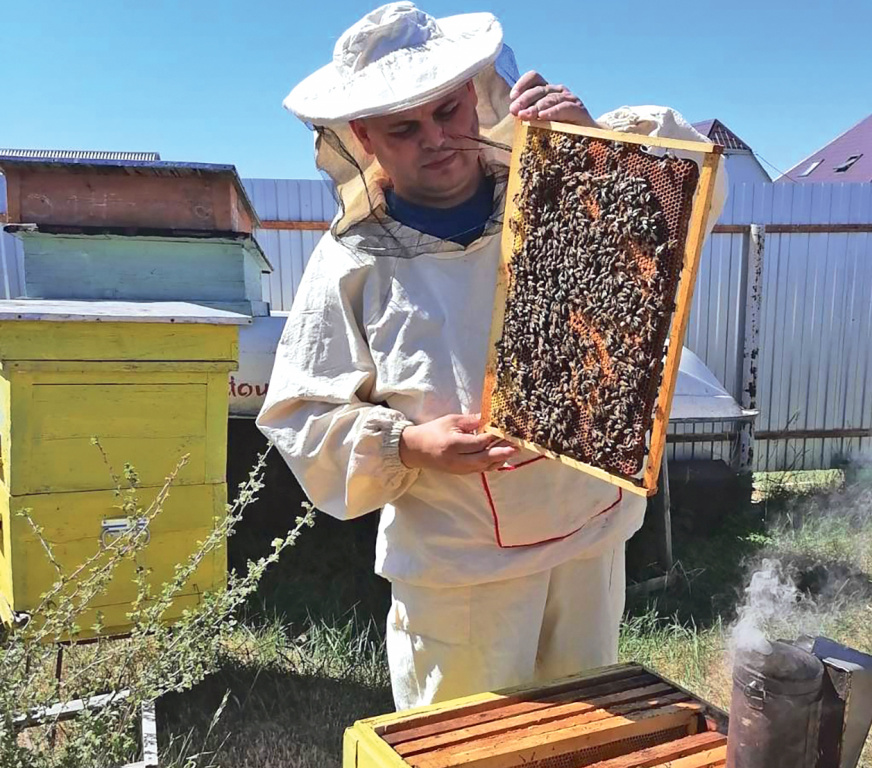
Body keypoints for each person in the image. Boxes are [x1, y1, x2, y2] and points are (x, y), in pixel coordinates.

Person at [257, 1, 726, 710]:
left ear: (475, 97)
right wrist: (409, 444)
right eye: (404, 128)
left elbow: (687, 208)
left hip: (587, 541)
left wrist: (597, 145)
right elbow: (300, 413)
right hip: (461, 571)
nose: (437, 139)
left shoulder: (564, 191)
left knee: (579, 742)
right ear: (363, 137)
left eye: (447, 111)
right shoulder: (350, 260)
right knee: (467, 745)